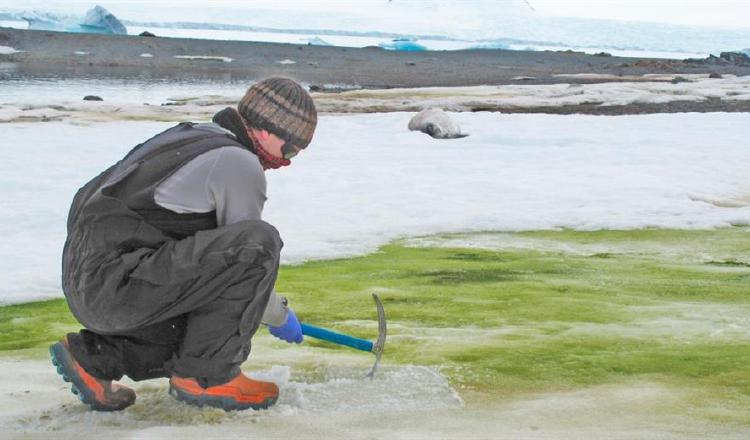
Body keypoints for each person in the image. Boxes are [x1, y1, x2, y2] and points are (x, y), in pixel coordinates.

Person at [49, 77, 317, 412]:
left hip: (92, 282)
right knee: (261, 243)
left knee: (200, 322)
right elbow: (247, 258)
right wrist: (278, 314)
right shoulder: (238, 162)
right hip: (118, 285)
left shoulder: (193, 137)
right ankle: (208, 377)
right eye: (290, 148)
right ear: (266, 130)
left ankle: (95, 359)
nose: (288, 160)